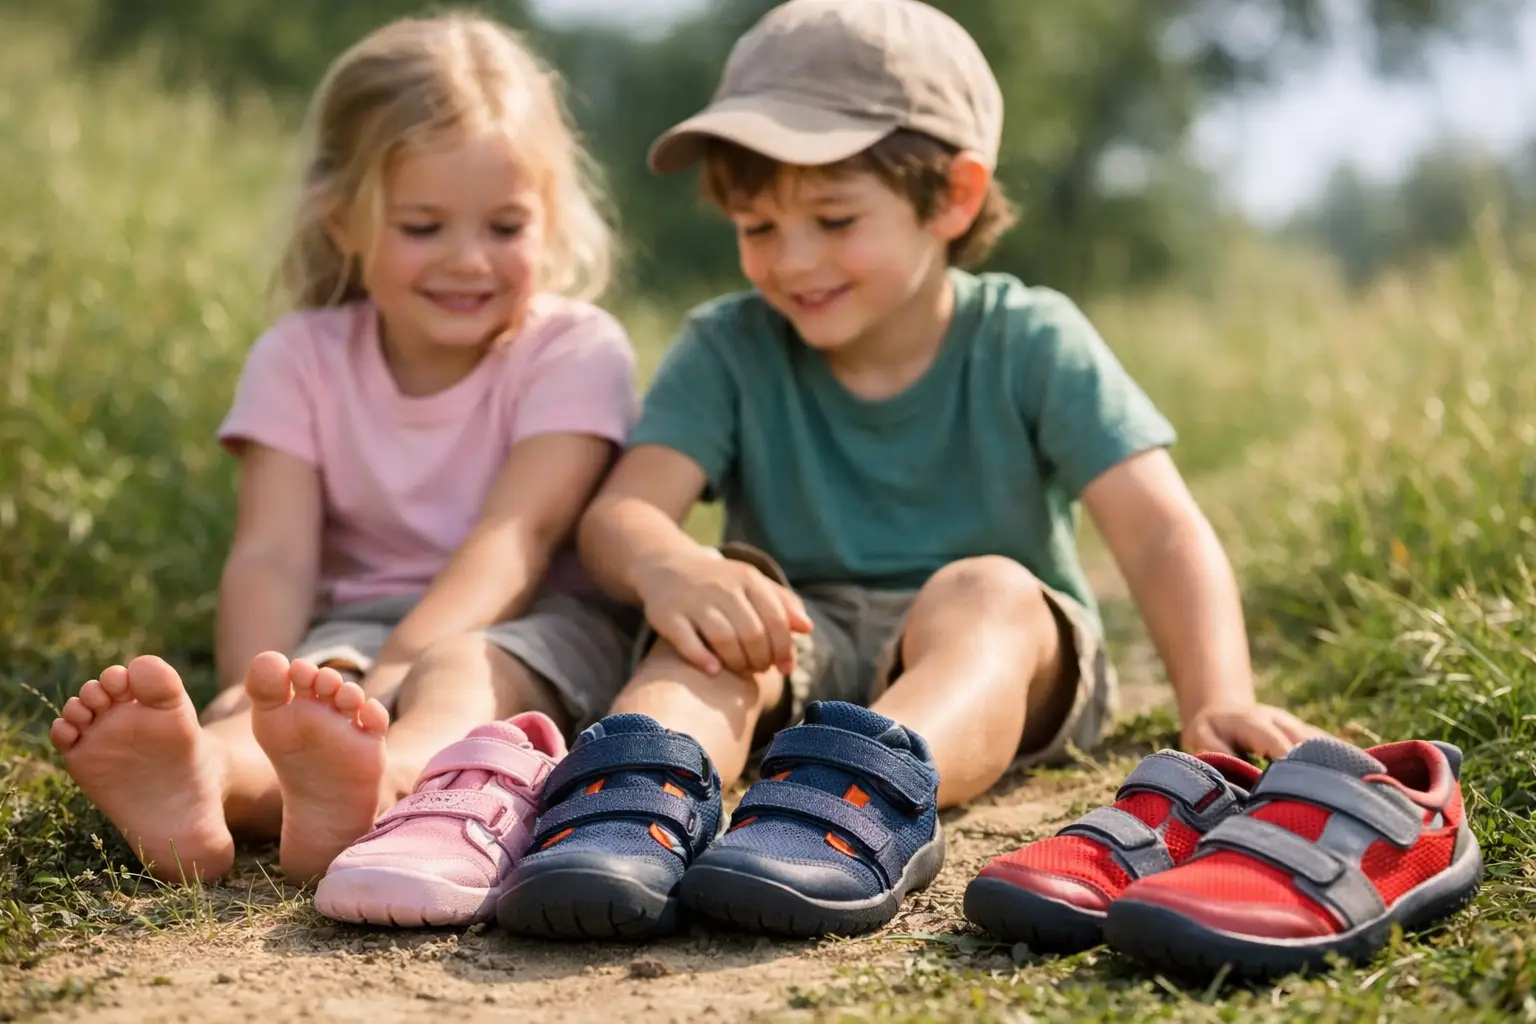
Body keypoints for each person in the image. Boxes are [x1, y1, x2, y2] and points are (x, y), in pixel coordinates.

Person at [495, 0, 1326, 942]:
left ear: (952, 198)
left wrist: (1216, 695)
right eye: (757, 226)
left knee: (988, 589)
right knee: (718, 615)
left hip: (993, 653)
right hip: (801, 636)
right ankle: (634, 800)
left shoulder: (1029, 338)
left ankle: (861, 793)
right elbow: (622, 514)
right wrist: (671, 567)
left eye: (834, 218)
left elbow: (1159, 528)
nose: (792, 259)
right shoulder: (728, 345)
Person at [47, 12, 641, 889]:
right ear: (342, 222)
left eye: (505, 227)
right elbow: (273, 553)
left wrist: (402, 662)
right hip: (359, 630)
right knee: (308, 700)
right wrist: (254, 688)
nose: (468, 259)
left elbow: (517, 536)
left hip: (541, 626)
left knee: (455, 672)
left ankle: (384, 781)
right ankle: (209, 780)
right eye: (423, 226)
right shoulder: (300, 357)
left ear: (548, 220)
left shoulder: (573, 350)